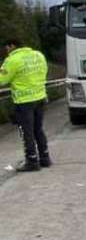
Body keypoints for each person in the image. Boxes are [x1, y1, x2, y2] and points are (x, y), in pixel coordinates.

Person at [0, 39, 50, 172]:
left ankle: (32, 160)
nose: (7, 50)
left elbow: (2, 80)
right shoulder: (38, 55)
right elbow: (44, 73)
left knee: (26, 132)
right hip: (40, 97)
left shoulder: (13, 60)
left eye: (7, 47)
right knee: (38, 129)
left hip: (24, 102)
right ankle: (45, 158)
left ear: (12, 46)